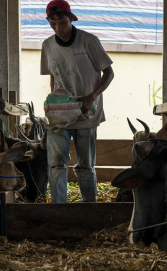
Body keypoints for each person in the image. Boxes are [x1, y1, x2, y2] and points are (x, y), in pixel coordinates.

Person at [40, 0, 114, 203]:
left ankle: (89, 208)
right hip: (60, 113)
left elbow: (108, 72)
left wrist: (92, 96)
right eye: (53, 24)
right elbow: (53, 76)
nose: (58, 29)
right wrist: (54, 101)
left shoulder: (88, 41)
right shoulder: (47, 45)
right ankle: (59, 210)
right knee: (56, 164)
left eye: (62, 23)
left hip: (86, 110)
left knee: (86, 165)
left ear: (71, 19)